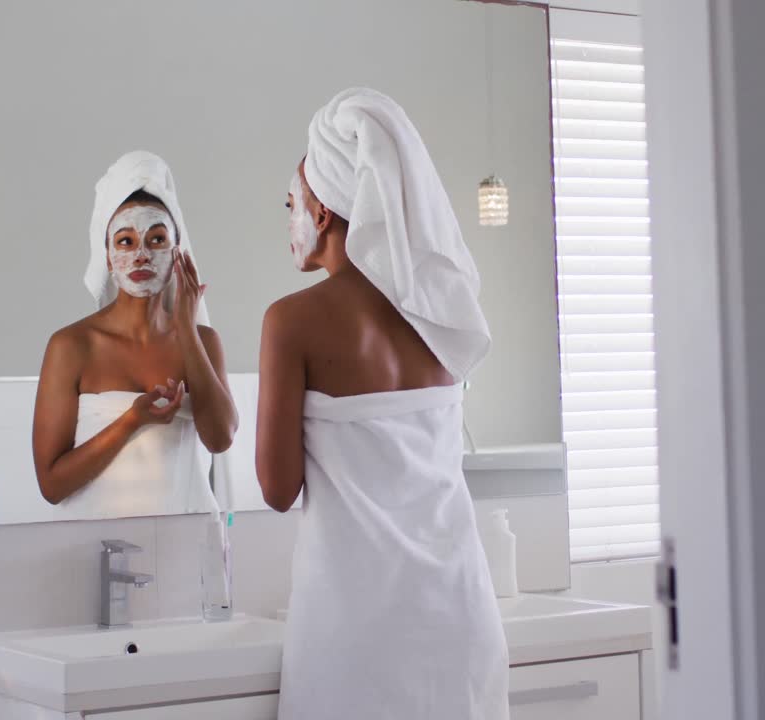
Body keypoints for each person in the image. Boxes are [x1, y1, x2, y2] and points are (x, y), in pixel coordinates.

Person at [257, 89, 509, 720]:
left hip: (355, 629)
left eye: (292, 204)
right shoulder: (444, 314)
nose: (287, 219)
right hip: (460, 614)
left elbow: (277, 488)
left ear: (321, 212)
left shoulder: (291, 321)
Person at [32, 151, 236, 520]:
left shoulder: (204, 341)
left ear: (177, 252)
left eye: (156, 239)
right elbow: (51, 484)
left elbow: (220, 439)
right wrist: (131, 421)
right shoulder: (71, 347)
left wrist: (187, 330)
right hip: (96, 553)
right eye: (125, 241)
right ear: (107, 256)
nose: (141, 254)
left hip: (189, 547)